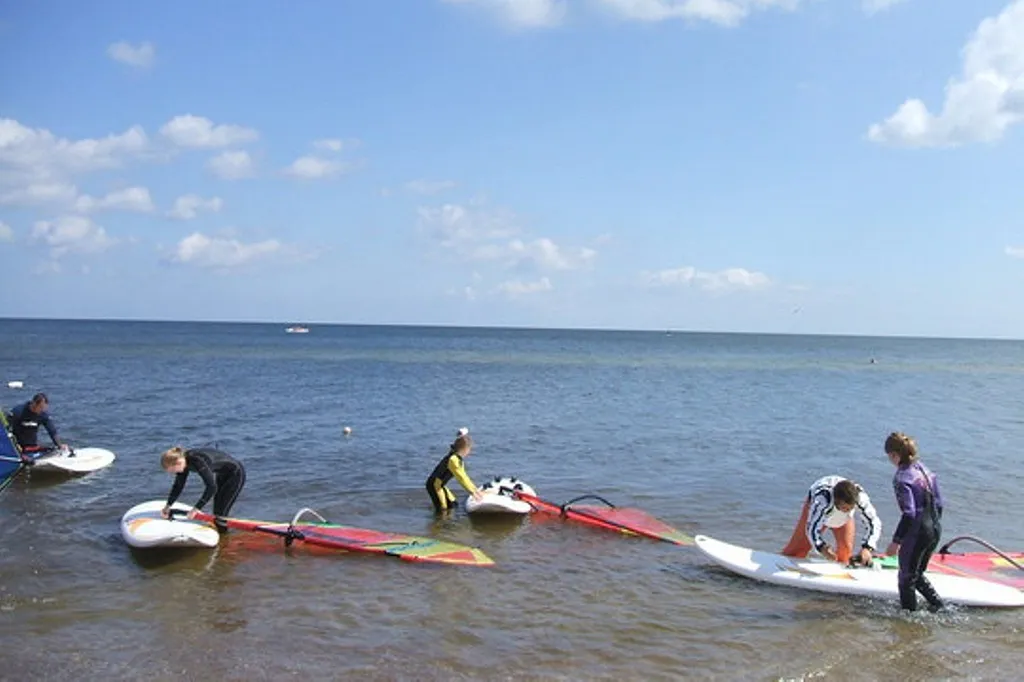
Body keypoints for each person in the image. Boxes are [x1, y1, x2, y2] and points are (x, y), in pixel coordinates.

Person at [883, 431, 945, 612]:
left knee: (905, 579)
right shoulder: (925, 470)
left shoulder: (902, 478)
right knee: (916, 575)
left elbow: (909, 513)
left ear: (895, 455)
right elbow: (940, 504)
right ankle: (940, 607)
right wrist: (931, 528)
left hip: (917, 533)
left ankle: (908, 619)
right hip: (934, 529)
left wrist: (896, 541)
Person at [781, 475, 882, 565]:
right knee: (799, 549)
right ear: (836, 501)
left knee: (845, 550)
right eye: (845, 508)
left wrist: (867, 548)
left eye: (850, 508)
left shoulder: (860, 498)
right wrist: (822, 547)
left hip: (842, 519)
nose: (847, 510)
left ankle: (842, 573)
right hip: (818, 512)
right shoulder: (822, 500)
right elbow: (812, 528)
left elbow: (874, 522)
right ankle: (782, 563)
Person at [160, 446, 247, 532]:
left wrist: (196, 509)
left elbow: (211, 488)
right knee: (217, 512)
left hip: (236, 474)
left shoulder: (197, 460)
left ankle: (224, 536)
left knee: (221, 513)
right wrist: (168, 505)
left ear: (177, 463)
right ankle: (223, 534)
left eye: (173, 471)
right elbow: (178, 486)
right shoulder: (183, 463)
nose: (174, 473)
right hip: (221, 474)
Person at [425, 428, 484, 513]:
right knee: (443, 509)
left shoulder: (457, 458)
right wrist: (473, 493)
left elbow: (465, 476)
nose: (469, 452)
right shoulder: (453, 460)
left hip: (440, 485)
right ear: (466, 449)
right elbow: (461, 478)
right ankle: (438, 520)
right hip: (434, 486)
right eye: (470, 449)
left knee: (453, 505)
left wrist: (476, 490)